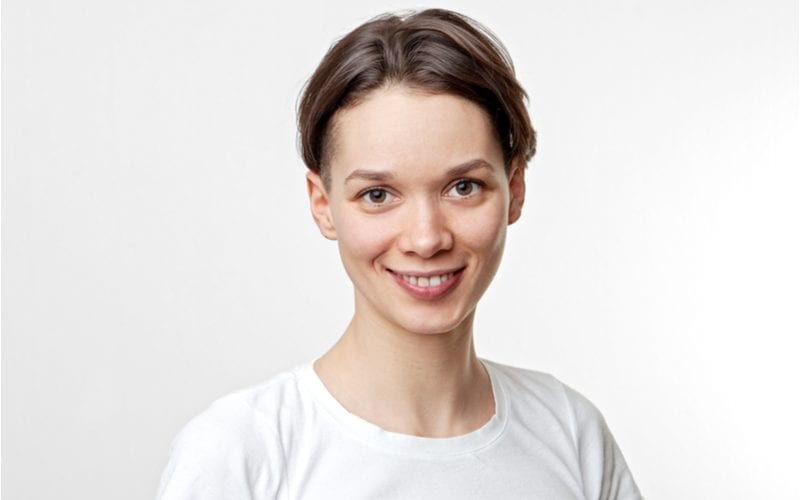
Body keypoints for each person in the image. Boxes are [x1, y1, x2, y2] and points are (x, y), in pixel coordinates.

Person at [157, 8, 643, 499]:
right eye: (377, 195)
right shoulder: (242, 451)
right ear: (322, 205)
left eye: (463, 186)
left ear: (514, 189)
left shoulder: (569, 433)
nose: (426, 238)